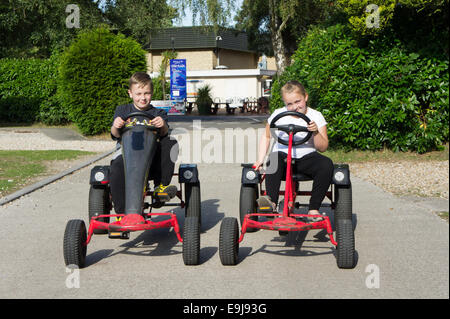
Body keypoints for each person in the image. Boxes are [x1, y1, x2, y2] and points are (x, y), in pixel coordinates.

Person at [253, 80, 333, 221]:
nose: (295, 107)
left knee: (326, 164)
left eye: (298, 101)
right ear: (285, 103)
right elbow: (266, 137)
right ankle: (271, 201)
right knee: (274, 158)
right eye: (289, 104)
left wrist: (315, 132)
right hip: (282, 159)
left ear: (305, 97)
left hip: (306, 158)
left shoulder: (316, 116)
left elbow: (323, 147)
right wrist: (260, 159)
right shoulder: (278, 115)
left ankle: (313, 209)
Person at [109, 72, 179, 224]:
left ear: (152, 93)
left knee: (171, 142)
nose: (143, 97)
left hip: (150, 157)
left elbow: (164, 133)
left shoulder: (157, 113)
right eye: (138, 93)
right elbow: (114, 134)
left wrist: (163, 126)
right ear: (130, 93)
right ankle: (122, 213)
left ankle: (161, 187)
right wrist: (116, 126)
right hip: (126, 154)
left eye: (146, 93)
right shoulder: (123, 111)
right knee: (116, 168)